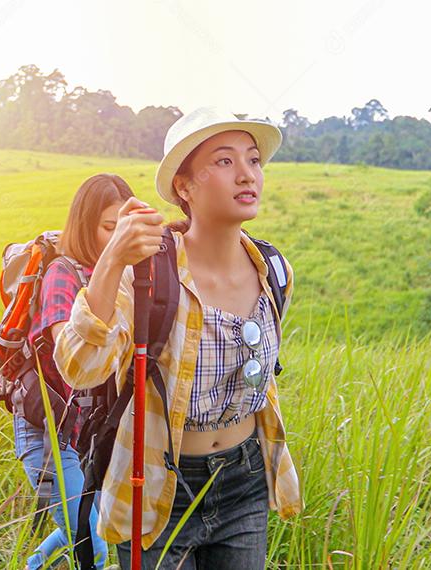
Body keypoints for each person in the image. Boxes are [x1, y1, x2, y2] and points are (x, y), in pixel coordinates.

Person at [52, 107, 303, 568]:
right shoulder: (150, 271)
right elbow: (80, 367)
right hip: (156, 485)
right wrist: (111, 262)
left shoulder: (274, 270)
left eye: (253, 160)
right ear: (183, 187)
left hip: (245, 479)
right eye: (225, 162)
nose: (247, 174)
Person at [14, 173, 134, 570]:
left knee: (96, 522)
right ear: (85, 226)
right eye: (107, 229)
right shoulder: (63, 275)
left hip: (88, 433)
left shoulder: (123, 276)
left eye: (124, 228)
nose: (116, 239)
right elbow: (73, 361)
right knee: (93, 543)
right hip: (48, 432)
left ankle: (32, 565)